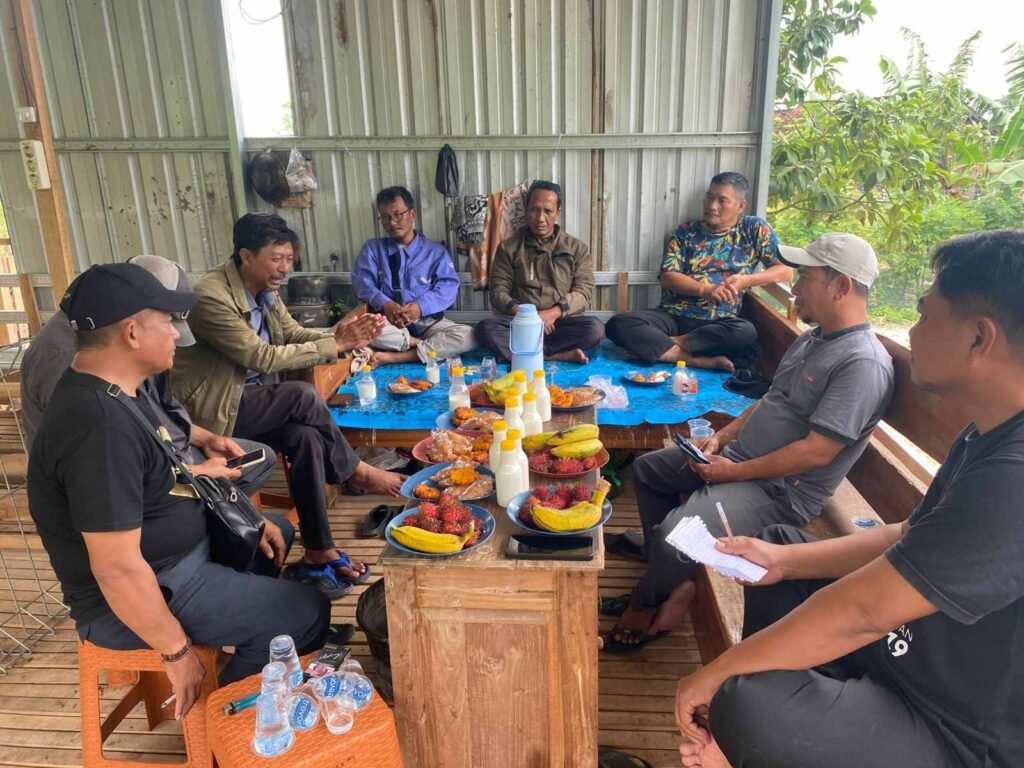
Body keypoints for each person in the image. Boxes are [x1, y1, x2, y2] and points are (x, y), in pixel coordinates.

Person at [675, 230, 1024, 768]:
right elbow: (910, 534)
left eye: (926, 316)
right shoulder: (988, 434)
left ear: (980, 339)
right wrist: (783, 560)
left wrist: (714, 677)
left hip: (952, 725)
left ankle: (737, 739)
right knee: (774, 550)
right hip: (906, 652)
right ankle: (744, 736)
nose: (910, 331)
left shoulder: (1013, 478)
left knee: (744, 703)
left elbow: (864, 610)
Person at [27, 263, 330, 719]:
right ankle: (226, 721)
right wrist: (176, 653)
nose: (175, 332)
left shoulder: (120, 392)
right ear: (132, 332)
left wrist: (245, 516)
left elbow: (167, 478)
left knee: (273, 537)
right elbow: (117, 569)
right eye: (167, 320)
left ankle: (248, 636)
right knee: (305, 612)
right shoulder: (96, 426)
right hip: (147, 587)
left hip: (174, 560)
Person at [605, 233, 894, 651]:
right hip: (742, 462)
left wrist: (732, 472)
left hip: (780, 491)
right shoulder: (815, 339)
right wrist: (721, 439)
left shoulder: (861, 363)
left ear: (841, 286)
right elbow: (770, 400)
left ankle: (647, 602)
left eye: (806, 278)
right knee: (650, 470)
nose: (795, 287)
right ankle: (672, 578)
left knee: (675, 536)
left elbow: (817, 452)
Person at [171, 213, 404, 599]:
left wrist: (339, 335)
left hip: (252, 402)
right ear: (246, 255)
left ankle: (318, 551)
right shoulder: (210, 297)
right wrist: (335, 346)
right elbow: (260, 356)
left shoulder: (265, 290)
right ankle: (355, 470)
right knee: (300, 396)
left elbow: (292, 333)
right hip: (215, 414)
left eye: (289, 258)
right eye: (277, 258)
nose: (285, 267)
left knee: (306, 437)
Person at [19, 255, 276, 496]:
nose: (174, 335)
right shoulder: (67, 360)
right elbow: (103, 469)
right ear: (133, 320)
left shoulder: (116, 346)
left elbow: (156, 414)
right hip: (116, 490)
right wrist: (189, 473)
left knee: (260, 460)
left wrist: (204, 438)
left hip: (159, 458)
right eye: (166, 322)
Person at [605, 172, 791, 371]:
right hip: (673, 316)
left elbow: (785, 271)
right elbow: (668, 277)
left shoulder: (753, 229)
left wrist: (746, 280)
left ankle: (667, 345)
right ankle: (694, 360)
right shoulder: (685, 232)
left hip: (718, 324)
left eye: (722, 200)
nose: (712, 206)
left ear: (740, 206)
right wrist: (706, 290)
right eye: (709, 197)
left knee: (745, 332)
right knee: (619, 324)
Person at [475, 180, 605, 363]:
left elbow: (584, 291)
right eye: (534, 210)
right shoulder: (508, 248)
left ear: (557, 213)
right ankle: (554, 356)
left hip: (560, 323)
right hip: (522, 322)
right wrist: (528, 317)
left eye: (548, 211)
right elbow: (498, 292)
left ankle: (521, 355)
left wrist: (552, 314)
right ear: (526, 210)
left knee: (595, 329)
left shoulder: (577, 248)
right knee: (486, 328)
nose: (540, 218)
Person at [351, 186, 475, 365]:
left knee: (469, 336)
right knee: (361, 326)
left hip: (427, 323)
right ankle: (423, 346)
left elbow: (448, 287)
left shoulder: (435, 252)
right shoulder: (372, 249)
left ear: (412, 215)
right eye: (385, 217)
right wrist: (386, 304)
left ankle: (397, 356)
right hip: (387, 324)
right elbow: (362, 283)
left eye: (398, 214)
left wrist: (419, 307)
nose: (392, 222)